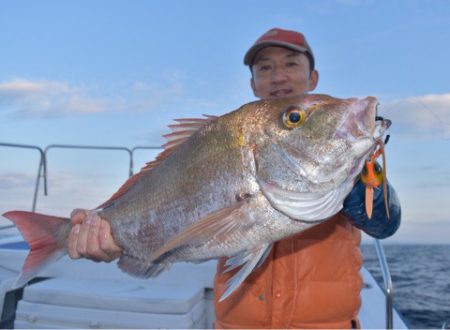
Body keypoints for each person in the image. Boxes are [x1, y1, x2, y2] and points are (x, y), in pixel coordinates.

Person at [69, 28, 401, 329]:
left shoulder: (344, 153)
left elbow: (385, 224)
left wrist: (356, 178)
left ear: (313, 77)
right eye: (265, 68)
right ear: (253, 84)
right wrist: (111, 235)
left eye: (290, 64)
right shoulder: (225, 139)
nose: (278, 77)